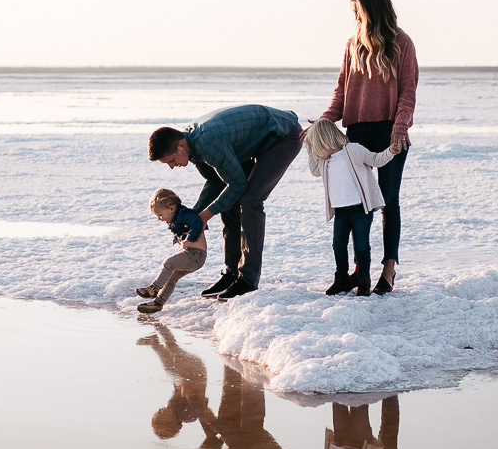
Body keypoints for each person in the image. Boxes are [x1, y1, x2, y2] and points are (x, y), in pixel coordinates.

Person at [147, 104, 303, 301]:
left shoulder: (207, 144)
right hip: (250, 142)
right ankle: (232, 274)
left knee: (249, 200)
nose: (171, 167)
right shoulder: (192, 147)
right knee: (228, 201)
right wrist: (195, 213)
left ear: (181, 146)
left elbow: (237, 184)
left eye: (170, 160)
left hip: (282, 136)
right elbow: (216, 182)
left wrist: (205, 215)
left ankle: (247, 280)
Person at [319, 0, 417, 294]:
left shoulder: (402, 43)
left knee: (388, 201)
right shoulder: (352, 46)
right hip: (357, 133)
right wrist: (325, 120)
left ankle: (388, 269)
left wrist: (400, 128)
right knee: (358, 202)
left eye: (357, 11)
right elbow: (341, 91)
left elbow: (407, 92)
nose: (354, 17)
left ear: (371, 10)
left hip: (390, 133)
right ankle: (359, 271)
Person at [304, 118, 402, 296]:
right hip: (341, 212)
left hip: (360, 210)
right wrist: (308, 148)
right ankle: (341, 278)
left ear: (325, 138)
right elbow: (314, 171)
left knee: (362, 247)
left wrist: (391, 151)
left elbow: (376, 159)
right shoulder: (325, 160)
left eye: (315, 143)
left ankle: (364, 281)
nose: (315, 148)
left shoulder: (353, 150)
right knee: (338, 245)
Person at [134, 188, 206, 314]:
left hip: (195, 255)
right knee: (171, 279)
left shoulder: (185, 214)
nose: (159, 219)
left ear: (171, 208)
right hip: (191, 255)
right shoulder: (177, 217)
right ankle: (158, 303)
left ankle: (154, 288)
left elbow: (198, 222)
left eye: (160, 215)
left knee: (168, 263)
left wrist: (190, 239)